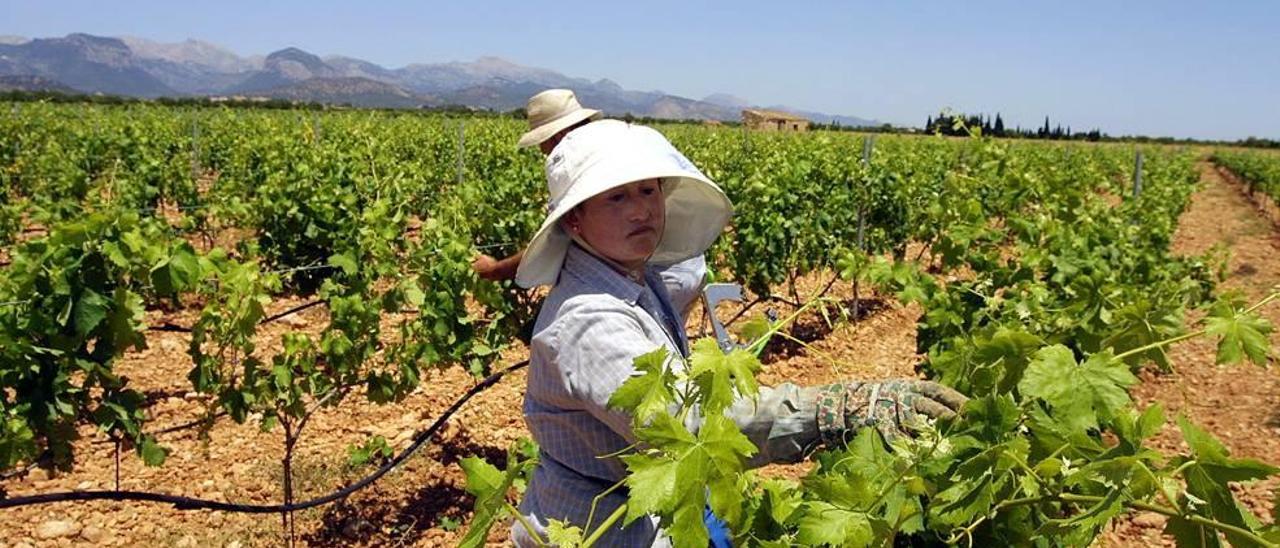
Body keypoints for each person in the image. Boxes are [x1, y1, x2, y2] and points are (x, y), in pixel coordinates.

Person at [507, 120, 967, 547]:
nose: (641, 210)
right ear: (573, 220)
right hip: (604, 528)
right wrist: (833, 410)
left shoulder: (631, 277)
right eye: (616, 197)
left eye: (648, 190)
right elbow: (687, 427)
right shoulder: (590, 322)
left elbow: (687, 271)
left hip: (650, 504)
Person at [472, 88, 602, 282]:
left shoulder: (578, 174)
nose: (542, 150)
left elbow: (552, 245)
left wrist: (493, 270)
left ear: (559, 135)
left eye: (543, 140)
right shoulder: (605, 157)